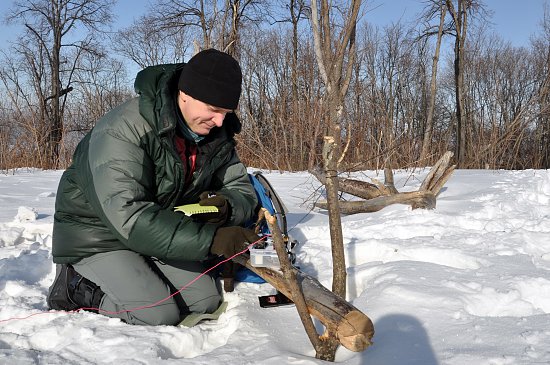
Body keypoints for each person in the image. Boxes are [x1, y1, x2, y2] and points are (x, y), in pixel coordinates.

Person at [46, 49, 260, 326]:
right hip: (98, 235)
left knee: (204, 301)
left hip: (156, 232)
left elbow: (240, 187)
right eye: (214, 110)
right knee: (157, 314)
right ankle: (75, 287)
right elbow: (129, 216)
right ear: (185, 94)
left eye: (226, 112)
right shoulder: (123, 130)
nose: (220, 121)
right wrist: (211, 240)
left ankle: (141, 278)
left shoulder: (214, 135)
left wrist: (226, 206)